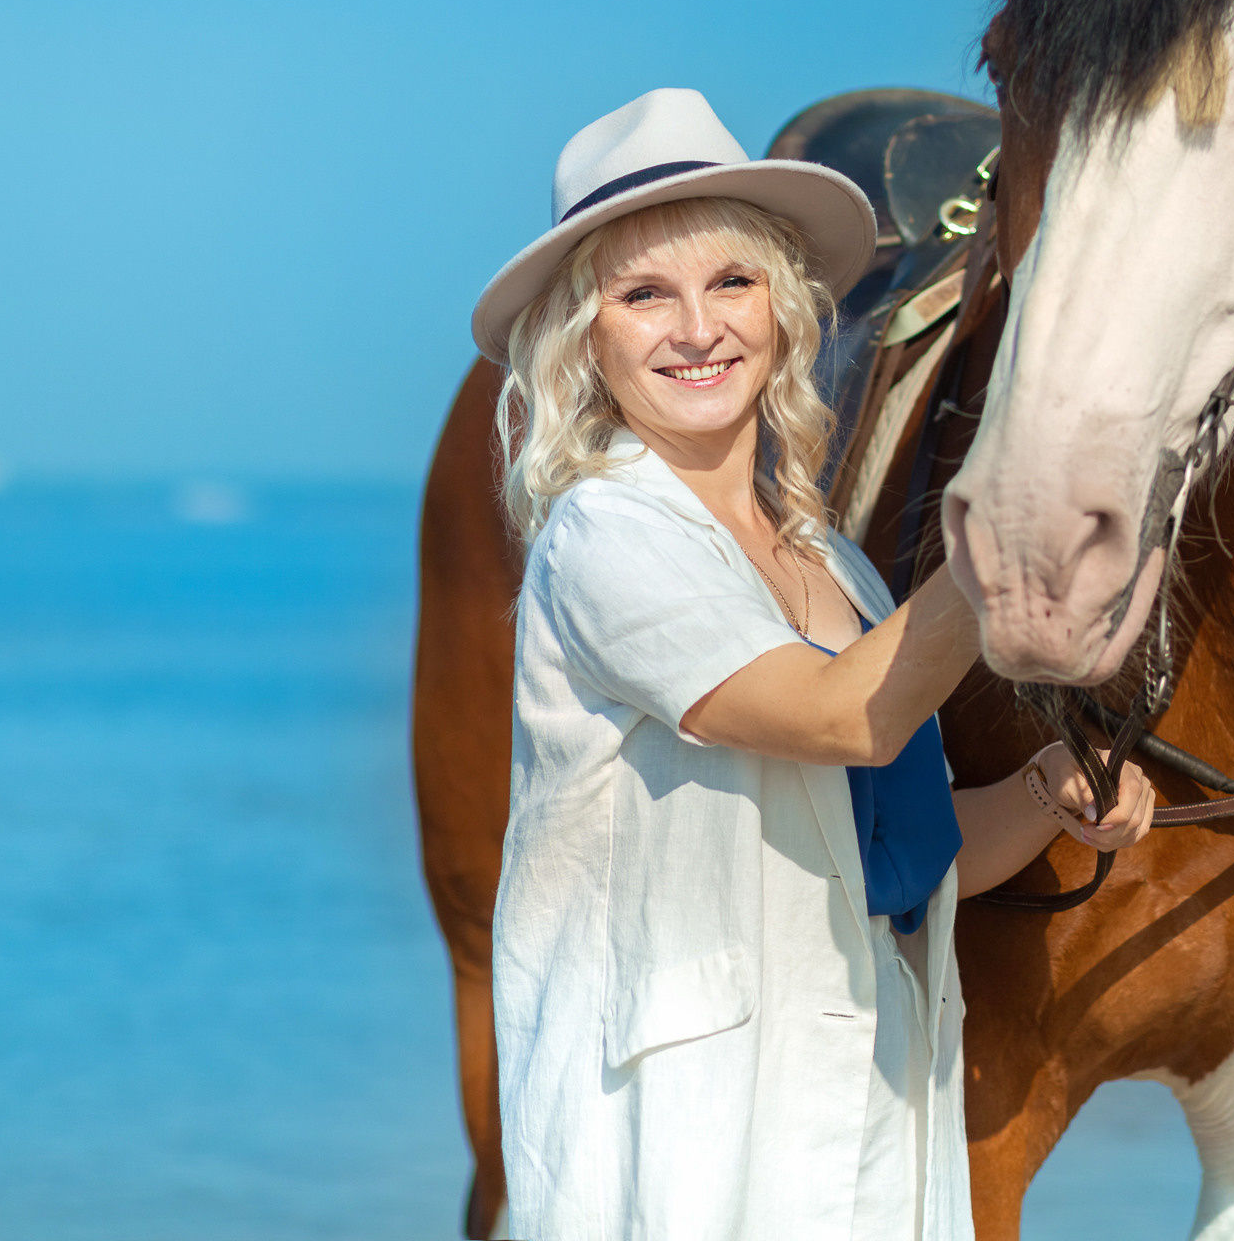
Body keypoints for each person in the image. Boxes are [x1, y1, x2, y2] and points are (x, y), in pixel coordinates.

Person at [471, 88, 1155, 1241]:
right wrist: (1008, 528)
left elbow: (909, 855)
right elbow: (847, 719)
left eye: (729, 282)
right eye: (645, 295)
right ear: (585, 341)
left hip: (874, 1133)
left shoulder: (840, 569)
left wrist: (1050, 787)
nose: (698, 329)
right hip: (692, 1155)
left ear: (784, 308)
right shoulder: (604, 539)